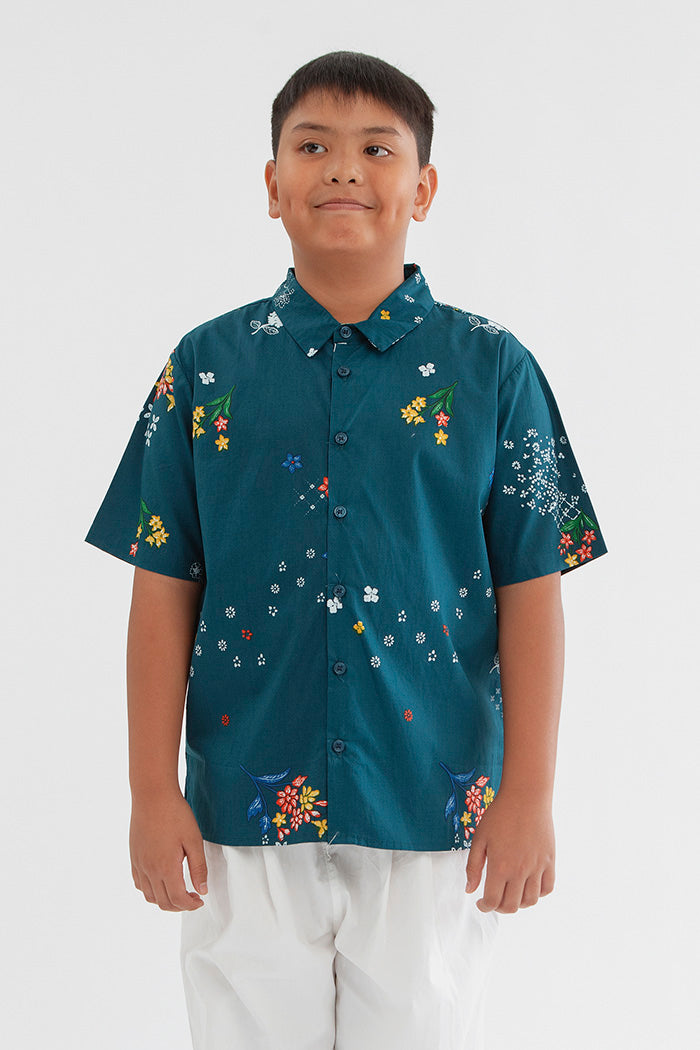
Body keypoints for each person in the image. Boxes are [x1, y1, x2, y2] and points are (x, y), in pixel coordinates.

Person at [84, 50, 609, 1050]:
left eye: (377, 149)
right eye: (312, 146)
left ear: (424, 188)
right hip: (244, 807)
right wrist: (151, 791)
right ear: (271, 183)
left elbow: (532, 588)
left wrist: (531, 795)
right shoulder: (204, 368)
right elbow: (162, 588)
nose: (342, 169)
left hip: (433, 807)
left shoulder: (494, 370)